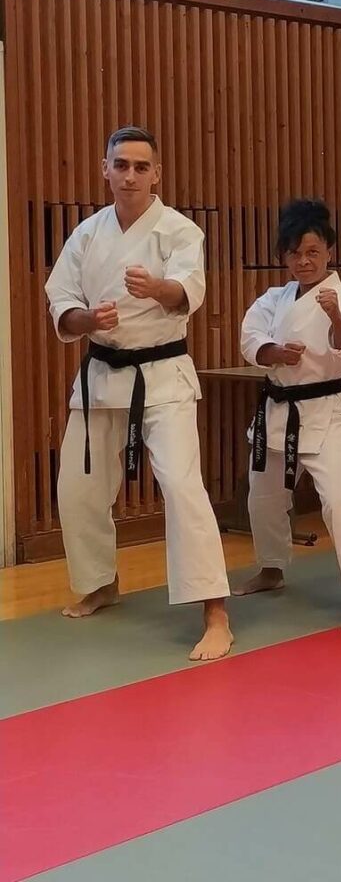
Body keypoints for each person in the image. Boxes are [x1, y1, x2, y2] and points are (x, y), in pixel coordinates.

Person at [44, 126, 232, 661]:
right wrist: (86, 319)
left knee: (181, 486)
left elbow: (189, 290)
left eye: (140, 166)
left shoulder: (179, 231)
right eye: (121, 165)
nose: (130, 175)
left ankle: (214, 611)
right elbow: (61, 300)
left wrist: (158, 288)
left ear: (157, 174)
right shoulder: (87, 234)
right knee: (77, 486)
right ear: (105, 170)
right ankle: (100, 581)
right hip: (102, 373)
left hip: (162, 374)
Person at [232, 199, 341, 631]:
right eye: (294, 253)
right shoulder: (273, 298)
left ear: (330, 251)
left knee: (338, 500)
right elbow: (250, 340)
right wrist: (274, 352)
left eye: (313, 251)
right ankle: (271, 568)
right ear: (284, 256)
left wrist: (335, 317)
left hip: (326, 411)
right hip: (278, 409)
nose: (304, 261)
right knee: (263, 495)